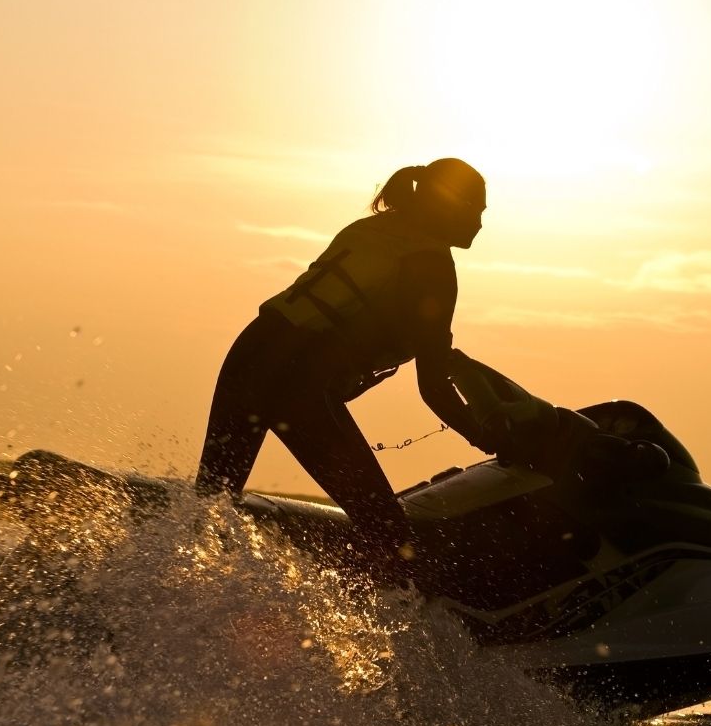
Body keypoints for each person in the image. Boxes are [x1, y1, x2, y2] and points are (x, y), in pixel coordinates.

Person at [195, 158, 499, 578]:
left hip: (248, 356)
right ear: (451, 205)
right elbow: (431, 387)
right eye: (477, 210)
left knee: (211, 502)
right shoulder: (431, 266)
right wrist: (488, 438)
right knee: (392, 539)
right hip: (299, 389)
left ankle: (166, 592)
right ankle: (362, 618)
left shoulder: (374, 231)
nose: (481, 225)